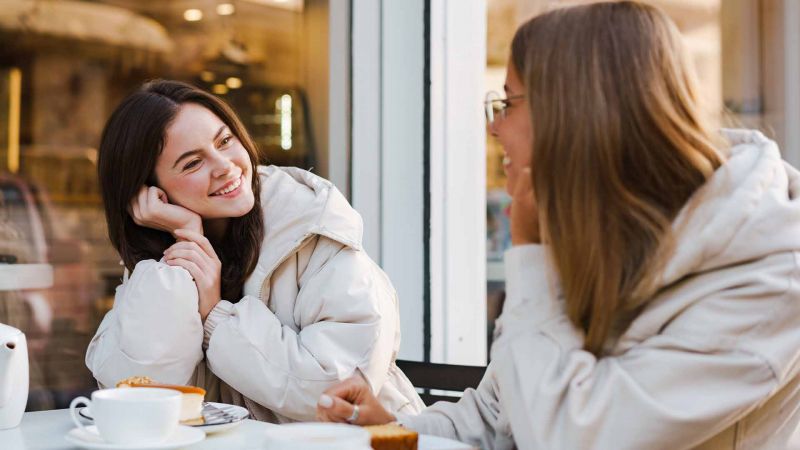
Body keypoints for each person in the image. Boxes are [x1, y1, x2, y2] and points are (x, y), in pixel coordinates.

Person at [316, 2, 800, 448]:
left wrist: (529, 252)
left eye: (508, 104)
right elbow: (496, 418)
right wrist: (393, 428)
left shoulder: (770, 279)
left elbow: (573, 437)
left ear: (574, 113)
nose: (493, 128)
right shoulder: (599, 229)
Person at [85, 79, 424, 422]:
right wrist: (184, 240)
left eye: (225, 141)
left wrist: (216, 317)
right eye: (192, 163)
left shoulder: (310, 228)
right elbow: (141, 399)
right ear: (151, 192)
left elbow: (335, 390)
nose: (225, 166)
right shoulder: (166, 258)